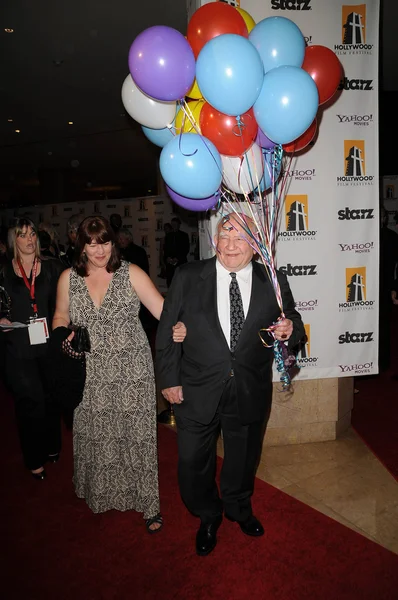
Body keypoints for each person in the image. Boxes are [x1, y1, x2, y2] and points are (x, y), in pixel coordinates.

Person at [156, 213, 305, 556]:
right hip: (195, 388)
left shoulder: (272, 278)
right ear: (214, 241)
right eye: (225, 236)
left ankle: (239, 507)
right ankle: (208, 514)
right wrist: (169, 380)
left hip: (249, 388)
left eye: (240, 238)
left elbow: (293, 321)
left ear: (255, 244)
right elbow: (167, 329)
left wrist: (289, 330)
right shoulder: (188, 276)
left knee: (243, 457)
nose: (232, 245)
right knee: (193, 460)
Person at [52, 216, 186, 533]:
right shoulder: (67, 278)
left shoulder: (131, 273)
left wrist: (180, 325)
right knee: (97, 432)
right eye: (92, 244)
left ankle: (148, 504)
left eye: (105, 242)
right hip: (90, 368)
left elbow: (162, 310)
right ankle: (99, 491)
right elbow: (60, 313)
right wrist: (62, 333)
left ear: (114, 242)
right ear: (81, 245)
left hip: (132, 370)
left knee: (135, 435)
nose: (99, 251)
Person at [0, 218, 64, 480]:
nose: (29, 240)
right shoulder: (3, 271)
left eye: (32, 234)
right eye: (22, 235)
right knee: (31, 400)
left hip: (48, 346)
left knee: (50, 399)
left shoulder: (53, 267)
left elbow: (69, 301)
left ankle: (51, 446)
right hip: (16, 347)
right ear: (13, 240)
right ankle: (33, 458)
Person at [163, 217, 190, 287]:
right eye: (172, 224)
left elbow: (186, 249)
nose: (174, 226)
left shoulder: (184, 235)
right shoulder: (168, 236)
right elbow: (165, 249)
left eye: (175, 224)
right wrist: (167, 258)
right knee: (170, 283)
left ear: (179, 225)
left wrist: (177, 258)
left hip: (181, 264)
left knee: (181, 283)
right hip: (170, 265)